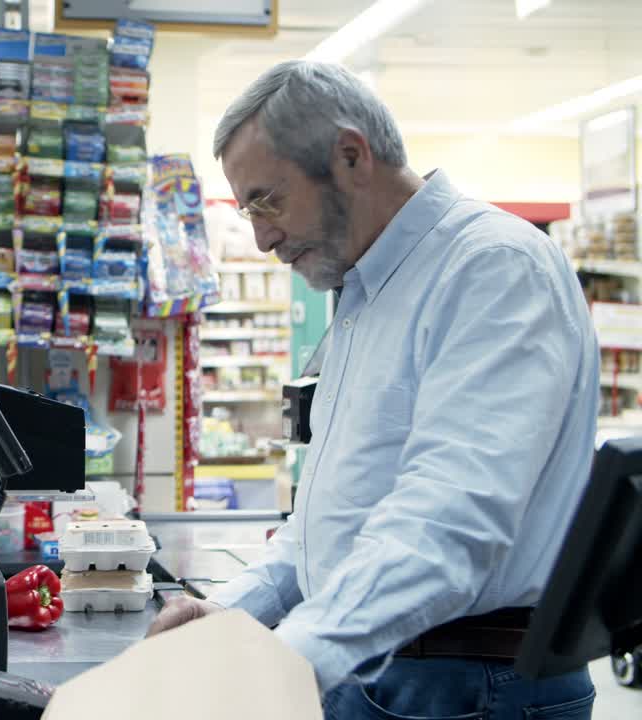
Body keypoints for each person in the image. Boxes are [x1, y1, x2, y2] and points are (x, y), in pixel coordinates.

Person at [147, 61, 599, 719]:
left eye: (268, 200)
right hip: (389, 675)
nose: (262, 235)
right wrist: (233, 610)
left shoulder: (493, 269)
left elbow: (449, 518)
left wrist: (288, 658)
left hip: (472, 688)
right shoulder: (361, 293)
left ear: (351, 157)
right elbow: (334, 524)